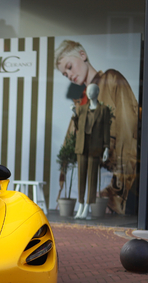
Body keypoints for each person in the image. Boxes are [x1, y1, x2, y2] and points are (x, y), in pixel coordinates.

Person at [55, 40, 138, 215]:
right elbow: (69, 150)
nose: (69, 75)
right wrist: (64, 194)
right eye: (64, 74)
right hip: (80, 177)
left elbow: (127, 136)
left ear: (82, 55)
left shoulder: (112, 80)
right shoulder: (80, 102)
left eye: (69, 67)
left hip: (105, 177)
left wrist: (114, 194)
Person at [71, 84, 110, 219]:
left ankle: (88, 205)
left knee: (92, 178)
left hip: (95, 148)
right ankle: (80, 204)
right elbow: (78, 128)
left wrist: (106, 148)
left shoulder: (103, 110)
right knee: (81, 177)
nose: (89, 93)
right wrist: (75, 115)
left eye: (92, 90)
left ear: (97, 92)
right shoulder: (81, 109)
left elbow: (106, 130)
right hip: (82, 147)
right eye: (88, 90)